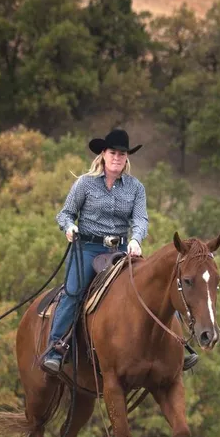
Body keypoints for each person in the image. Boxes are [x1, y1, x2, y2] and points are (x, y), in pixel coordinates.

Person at [41, 128, 199, 375]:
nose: (117, 157)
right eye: (113, 152)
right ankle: (56, 349)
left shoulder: (136, 188)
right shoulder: (84, 183)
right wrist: (69, 226)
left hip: (122, 250)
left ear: (127, 158)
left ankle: (179, 345)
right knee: (74, 291)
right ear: (103, 154)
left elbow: (140, 220)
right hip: (87, 247)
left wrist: (136, 239)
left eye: (122, 154)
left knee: (161, 286)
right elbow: (65, 213)